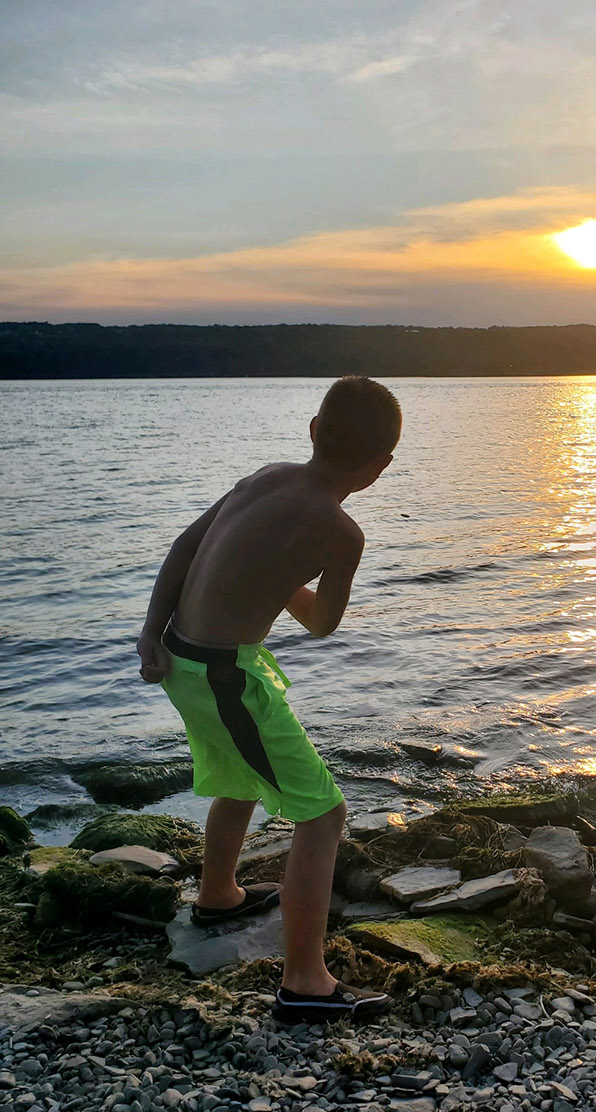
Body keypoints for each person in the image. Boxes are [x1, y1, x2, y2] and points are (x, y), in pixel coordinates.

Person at [136, 376, 402, 1023]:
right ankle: (304, 981)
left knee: (243, 771)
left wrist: (148, 632)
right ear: (380, 468)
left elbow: (183, 547)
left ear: (312, 430)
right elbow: (323, 622)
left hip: (181, 655)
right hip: (224, 675)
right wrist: (290, 581)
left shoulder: (265, 475)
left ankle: (219, 894)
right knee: (323, 814)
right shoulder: (340, 532)